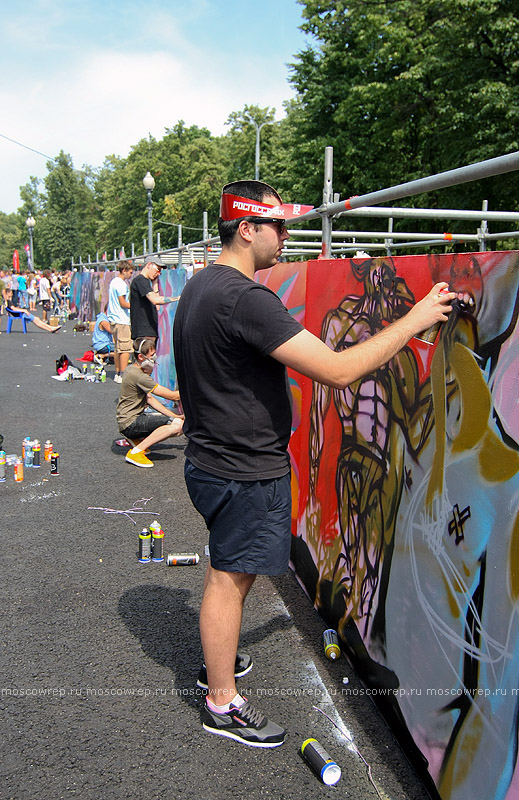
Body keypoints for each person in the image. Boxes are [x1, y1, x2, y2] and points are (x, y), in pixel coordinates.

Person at [172, 179, 455, 748]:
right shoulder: (246, 298)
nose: (287, 237)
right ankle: (221, 702)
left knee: (233, 570)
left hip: (211, 461)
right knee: (229, 577)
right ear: (247, 228)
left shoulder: (201, 285)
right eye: (279, 226)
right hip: (242, 470)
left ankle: (218, 666)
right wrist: (416, 318)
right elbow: (337, 370)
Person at [116, 337, 183, 467]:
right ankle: (136, 452)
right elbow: (173, 396)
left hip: (126, 421)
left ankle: (136, 441)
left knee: (175, 421)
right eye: (152, 355)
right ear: (141, 357)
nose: (155, 358)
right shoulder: (140, 376)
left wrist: (174, 415)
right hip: (131, 423)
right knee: (178, 426)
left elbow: (150, 399)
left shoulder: (133, 369)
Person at [129, 254, 180, 342]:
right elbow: (155, 300)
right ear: (149, 265)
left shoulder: (145, 282)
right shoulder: (140, 280)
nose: (159, 273)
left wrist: (155, 283)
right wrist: (177, 298)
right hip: (144, 331)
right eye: (158, 269)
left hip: (148, 331)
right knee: (147, 355)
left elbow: (157, 306)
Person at [108, 260, 133, 383]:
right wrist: (135, 306)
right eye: (130, 272)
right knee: (125, 348)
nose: (131, 275)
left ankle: (118, 372)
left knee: (118, 348)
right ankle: (122, 374)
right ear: (124, 270)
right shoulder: (121, 284)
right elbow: (123, 303)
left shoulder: (113, 282)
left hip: (113, 319)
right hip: (121, 319)